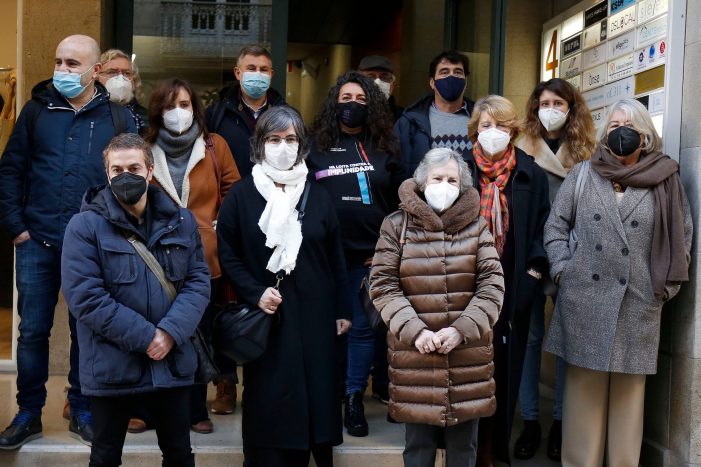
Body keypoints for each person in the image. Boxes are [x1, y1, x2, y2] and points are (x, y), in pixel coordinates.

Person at [0, 34, 136, 449]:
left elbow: (130, 181)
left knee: (88, 332)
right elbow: (10, 171)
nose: (62, 70)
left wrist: (115, 235)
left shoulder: (118, 118)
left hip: (92, 248)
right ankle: (28, 414)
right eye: (58, 61)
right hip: (35, 240)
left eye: (72, 63)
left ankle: (81, 409)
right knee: (33, 332)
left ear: (96, 71)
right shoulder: (36, 111)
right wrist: (16, 228)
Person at [544, 98, 693, 467]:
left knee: (629, 406)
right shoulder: (583, 174)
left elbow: (682, 236)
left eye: (628, 126)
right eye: (612, 126)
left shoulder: (665, 178)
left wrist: (666, 290)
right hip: (585, 300)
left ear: (645, 136)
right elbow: (555, 226)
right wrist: (564, 269)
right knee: (583, 402)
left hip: (639, 302)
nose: (620, 132)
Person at [61, 133, 210, 467]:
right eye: (117, 170)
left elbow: (198, 281)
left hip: (171, 360)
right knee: (105, 454)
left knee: (178, 453)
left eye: (133, 167)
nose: (125, 176)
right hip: (112, 365)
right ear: (107, 174)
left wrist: (170, 332)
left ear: (150, 170)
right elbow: (85, 297)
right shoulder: (84, 226)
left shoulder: (182, 221)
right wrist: (147, 337)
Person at [217, 106, 351, 466]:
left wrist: (342, 310)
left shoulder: (318, 195)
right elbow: (227, 254)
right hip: (270, 315)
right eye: (274, 139)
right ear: (259, 145)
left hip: (317, 311)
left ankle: (317, 447)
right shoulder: (242, 196)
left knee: (319, 388)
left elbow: (335, 256)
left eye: (290, 139)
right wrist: (254, 292)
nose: (282, 146)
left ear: (301, 145)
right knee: (272, 395)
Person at [369, 148, 505, 467]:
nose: (444, 185)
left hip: (467, 357)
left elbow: (492, 286)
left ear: (462, 186)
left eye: (452, 180)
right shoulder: (396, 225)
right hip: (414, 357)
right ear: (421, 181)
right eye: (437, 178)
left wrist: (461, 330)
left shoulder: (477, 227)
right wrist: (415, 331)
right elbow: (383, 285)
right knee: (418, 449)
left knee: (464, 451)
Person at [143, 77, 240, 433]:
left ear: (196, 109)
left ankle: (195, 408)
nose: (178, 113)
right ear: (158, 111)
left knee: (198, 333)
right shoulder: (144, 147)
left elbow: (234, 190)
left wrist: (217, 224)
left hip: (203, 257)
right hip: (154, 259)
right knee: (153, 331)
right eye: (170, 106)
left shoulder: (215, 146)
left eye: (184, 105)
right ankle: (147, 407)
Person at [308, 71, 403, 437]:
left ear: (373, 106)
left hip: (369, 259)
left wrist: (387, 250)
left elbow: (402, 205)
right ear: (335, 102)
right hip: (324, 258)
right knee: (329, 330)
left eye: (362, 100)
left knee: (363, 330)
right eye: (346, 98)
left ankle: (352, 399)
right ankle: (326, 393)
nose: (353, 105)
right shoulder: (315, 146)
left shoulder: (385, 147)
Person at [513, 77, 596, 461]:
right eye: (544, 102)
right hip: (530, 253)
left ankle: (562, 422)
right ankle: (530, 421)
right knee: (529, 339)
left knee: (566, 341)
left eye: (558, 102)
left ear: (570, 107)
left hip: (574, 254)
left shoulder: (589, 151)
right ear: (534, 107)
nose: (550, 109)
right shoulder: (518, 147)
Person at [464, 95, 550, 467]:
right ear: (475, 131)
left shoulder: (531, 173)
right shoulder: (459, 170)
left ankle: (496, 451)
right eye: (486, 126)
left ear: (513, 130)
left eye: (501, 126)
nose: (493, 133)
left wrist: (532, 277)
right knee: (468, 369)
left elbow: (545, 232)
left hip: (513, 291)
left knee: (505, 371)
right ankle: (469, 448)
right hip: (466, 289)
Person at [206, 44, 286, 178]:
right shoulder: (216, 114)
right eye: (251, 69)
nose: (258, 74)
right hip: (230, 195)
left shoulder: (285, 115)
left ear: (271, 74)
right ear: (238, 73)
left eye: (263, 69)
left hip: (274, 196)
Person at [395, 50, 474, 176]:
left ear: (465, 81)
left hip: (472, 194)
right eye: (444, 72)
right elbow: (398, 169)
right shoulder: (410, 123)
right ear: (432, 82)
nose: (451, 77)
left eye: (458, 72)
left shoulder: (479, 119)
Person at [97, 48, 148, 135]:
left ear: (133, 79)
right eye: (112, 72)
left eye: (126, 73)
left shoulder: (147, 118)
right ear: (97, 76)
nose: (120, 78)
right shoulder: (88, 113)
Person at [358, 55, 403, 121]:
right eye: (370, 77)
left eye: (384, 77)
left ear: (392, 85)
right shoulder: (353, 114)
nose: (378, 83)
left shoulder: (403, 118)